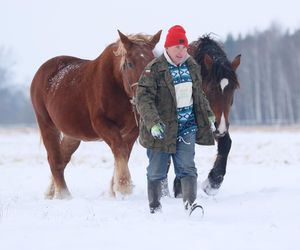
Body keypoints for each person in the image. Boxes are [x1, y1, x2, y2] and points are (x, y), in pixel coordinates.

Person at [136, 25, 215, 215]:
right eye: (177, 47)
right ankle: (155, 207)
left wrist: (208, 113)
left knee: (187, 167)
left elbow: (199, 94)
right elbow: (143, 98)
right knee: (156, 171)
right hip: (161, 129)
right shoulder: (154, 69)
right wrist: (153, 123)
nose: (181, 52)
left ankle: (190, 205)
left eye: (184, 47)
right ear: (168, 47)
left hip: (187, 127)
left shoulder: (192, 66)